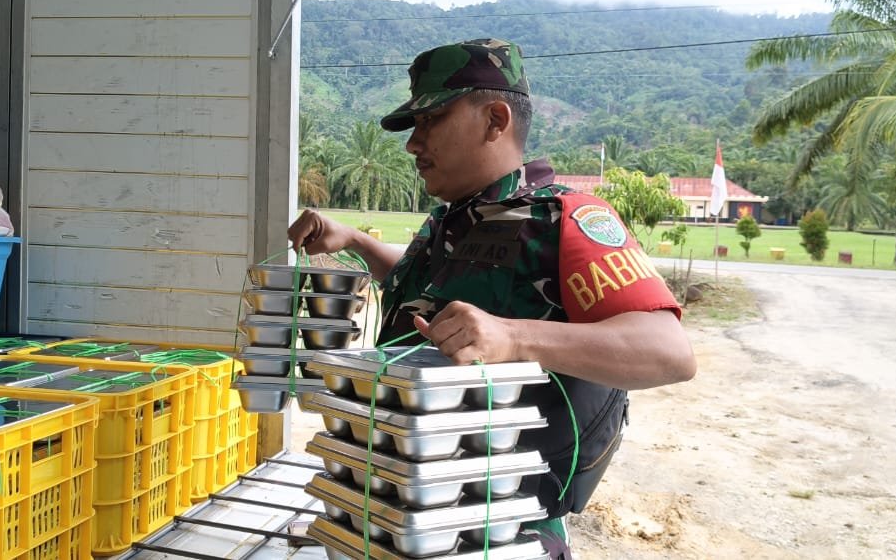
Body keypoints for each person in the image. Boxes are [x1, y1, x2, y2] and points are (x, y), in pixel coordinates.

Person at [288, 38, 696, 558]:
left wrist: (515, 336)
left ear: (495, 120)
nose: (414, 143)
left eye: (430, 120)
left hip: (495, 532)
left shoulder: (565, 219)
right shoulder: (452, 219)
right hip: (400, 509)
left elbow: (669, 352)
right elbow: (437, 310)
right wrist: (359, 242)